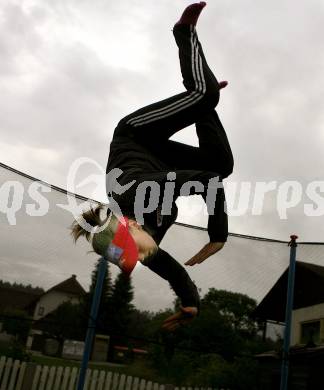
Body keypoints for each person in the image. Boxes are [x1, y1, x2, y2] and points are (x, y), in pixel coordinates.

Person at [71, 2, 234, 332]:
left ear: (128, 226)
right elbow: (170, 269)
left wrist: (217, 236)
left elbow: (206, 183)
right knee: (221, 164)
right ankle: (202, 105)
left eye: (142, 245)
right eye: (145, 250)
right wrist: (190, 304)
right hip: (159, 159)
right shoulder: (143, 241)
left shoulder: (135, 195)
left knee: (204, 95)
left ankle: (184, 34)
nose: (151, 247)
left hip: (136, 134)